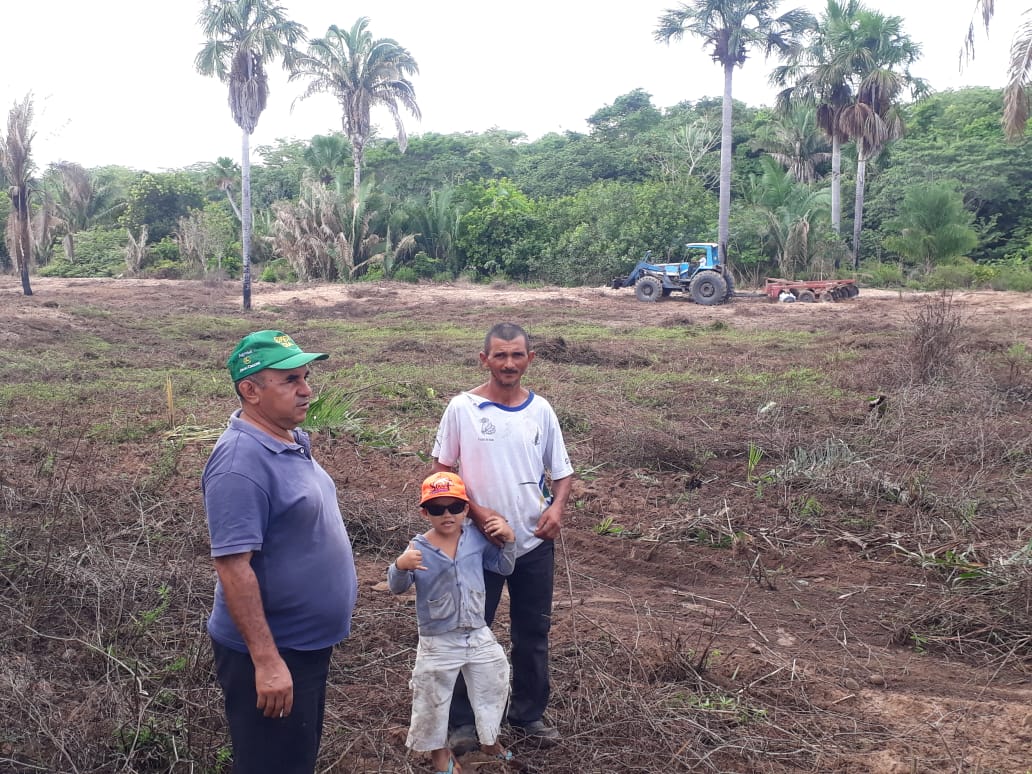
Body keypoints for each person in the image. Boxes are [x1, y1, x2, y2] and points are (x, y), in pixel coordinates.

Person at [202, 330, 358, 774]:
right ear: (250, 391)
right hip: (275, 651)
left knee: (293, 759)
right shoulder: (238, 464)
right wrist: (267, 663)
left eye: (306, 377)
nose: (307, 390)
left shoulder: (291, 439)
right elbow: (233, 567)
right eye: (290, 380)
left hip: (304, 646)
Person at [431, 322, 575, 751]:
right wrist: (477, 514)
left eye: (517, 355)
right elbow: (442, 473)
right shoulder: (462, 408)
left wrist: (556, 509)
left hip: (533, 542)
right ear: (484, 360)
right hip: (476, 544)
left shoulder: (541, 411)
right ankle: (462, 722)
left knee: (533, 634)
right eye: (500, 355)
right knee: (468, 630)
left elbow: (563, 473)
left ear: (530, 359)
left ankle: (528, 714)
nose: (509, 363)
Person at [388, 471, 517, 774]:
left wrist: (509, 539)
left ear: (466, 509)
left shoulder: (474, 537)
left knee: (494, 679)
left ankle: (489, 740)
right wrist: (399, 566)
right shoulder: (419, 547)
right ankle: (439, 754)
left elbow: (503, 566)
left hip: (476, 631)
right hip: (438, 638)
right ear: (425, 512)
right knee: (432, 695)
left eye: (454, 507)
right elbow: (397, 586)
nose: (447, 515)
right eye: (437, 509)